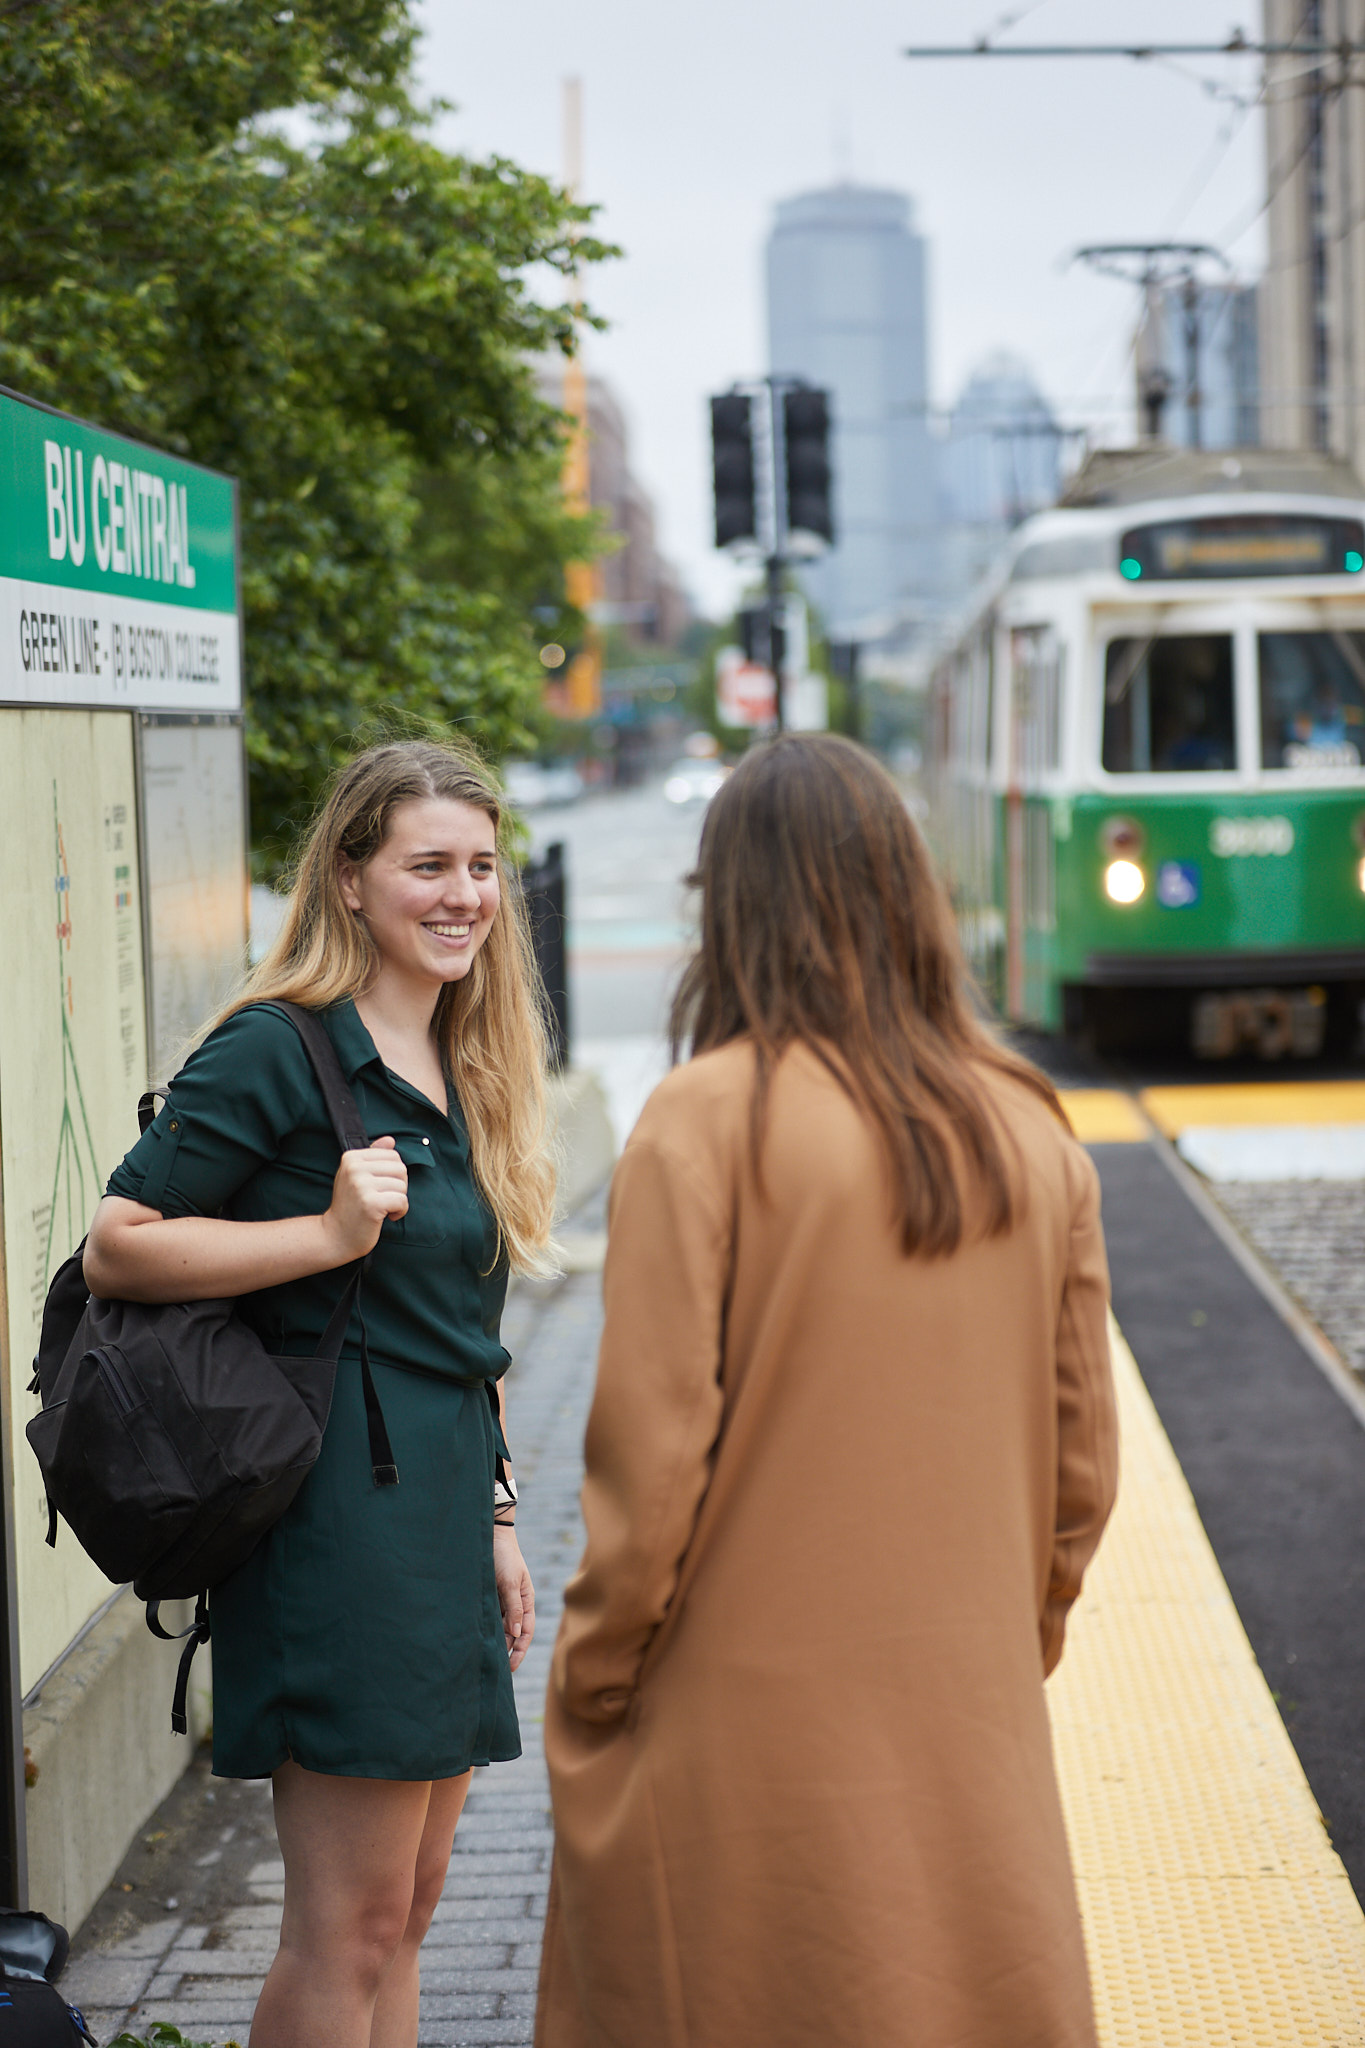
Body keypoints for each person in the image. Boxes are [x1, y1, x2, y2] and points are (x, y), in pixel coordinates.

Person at [536, 734, 1118, 2048]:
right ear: (907, 891)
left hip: (737, 1735)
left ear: (730, 906)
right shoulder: (1028, 1124)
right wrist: (1005, 1642)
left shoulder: (701, 1123)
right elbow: (1082, 1470)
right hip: (967, 1708)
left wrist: (593, 1680)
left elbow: (651, 1467)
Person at [83, 738, 554, 2048]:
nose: (462, 894)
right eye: (426, 866)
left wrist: (504, 1525)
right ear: (350, 881)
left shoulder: (467, 1062)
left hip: (447, 1504)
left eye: (479, 866)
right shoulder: (277, 1052)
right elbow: (117, 1243)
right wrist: (323, 1236)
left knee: (411, 1905)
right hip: (339, 1520)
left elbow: (469, 1331)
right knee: (345, 1923)